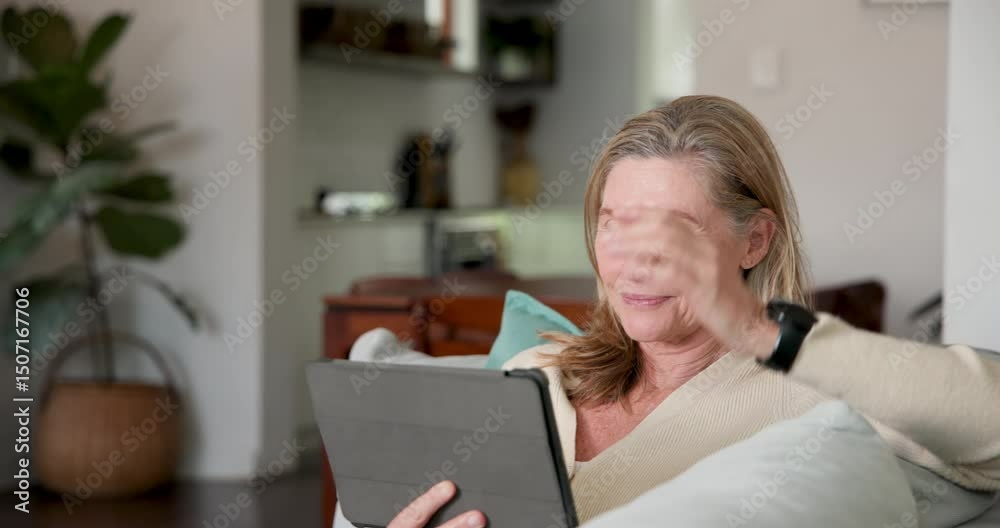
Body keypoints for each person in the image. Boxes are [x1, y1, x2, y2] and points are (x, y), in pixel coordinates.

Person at [386, 95, 1000, 528]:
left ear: (754, 241)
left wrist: (762, 332)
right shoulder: (536, 371)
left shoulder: (813, 403)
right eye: (615, 225)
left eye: (673, 232)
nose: (635, 264)